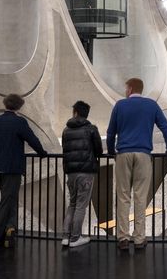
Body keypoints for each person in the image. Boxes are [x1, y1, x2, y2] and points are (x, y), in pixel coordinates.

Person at [106, 77, 167, 251]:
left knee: (123, 196)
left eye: (125, 88)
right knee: (140, 197)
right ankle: (139, 238)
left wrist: (112, 151)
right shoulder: (151, 105)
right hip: (143, 154)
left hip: (123, 154)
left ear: (130, 89)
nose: (125, 91)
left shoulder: (120, 105)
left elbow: (110, 132)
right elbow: (165, 127)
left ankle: (122, 238)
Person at [0, 93, 47, 251]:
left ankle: (10, 230)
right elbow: (32, 139)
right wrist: (42, 152)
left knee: (10, 197)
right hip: (12, 167)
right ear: (19, 106)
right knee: (7, 201)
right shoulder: (19, 122)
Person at [61, 100, 102, 249]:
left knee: (72, 204)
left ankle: (66, 236)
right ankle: (75, 238)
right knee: (81, 206)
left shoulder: (66, 130)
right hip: (86, 172)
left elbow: (65, 150)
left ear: (75, 112)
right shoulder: (91, 129)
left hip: (70, 172)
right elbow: (99, 150)